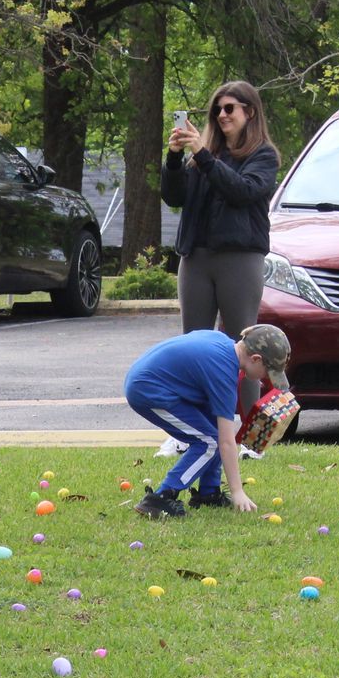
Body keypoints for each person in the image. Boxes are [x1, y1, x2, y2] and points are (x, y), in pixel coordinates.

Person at [163, 80, 280, 412]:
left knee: (245, 346)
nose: (221, 115)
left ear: (250, 112)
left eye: (229, 108)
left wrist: (201, 155)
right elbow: (174, 197)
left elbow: (242, 191)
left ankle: (245, 431)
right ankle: (193, 429)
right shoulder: (204, 156)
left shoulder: (263, 155)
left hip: (240, 259)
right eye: (217, 109)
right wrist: (174, 158)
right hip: (196, 257)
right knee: (193, 346)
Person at [123, 324, 290, 519]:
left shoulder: (224, 344)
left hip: (151, 382)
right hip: (148, 391)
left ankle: (208, 493)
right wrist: (237, 491)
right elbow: (226, 442)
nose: (266, 379)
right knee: (208, 442)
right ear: (255, 359)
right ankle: (161, 497)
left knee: (213, 431)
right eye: (268, 372)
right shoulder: (223, 371)